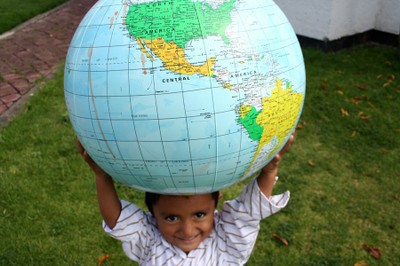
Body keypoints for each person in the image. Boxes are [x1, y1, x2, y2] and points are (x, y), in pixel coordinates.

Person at [77, 132, 295, 265]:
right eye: (171, 218)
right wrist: (101, 176)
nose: (187, 231)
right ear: (152, 212)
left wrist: (268, 172)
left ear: (215, 203)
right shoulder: (150, 240)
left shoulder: (226, 241)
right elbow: (118, 219)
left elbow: (249, 212)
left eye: (200, 215)